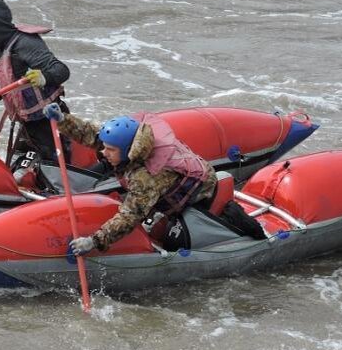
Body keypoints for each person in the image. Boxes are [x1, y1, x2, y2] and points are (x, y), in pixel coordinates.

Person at [42, 103, 219, 255]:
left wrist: (94, 241)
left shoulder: (145, 178)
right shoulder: (127, 145)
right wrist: (62, 120)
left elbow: (130, 217)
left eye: (110, 150)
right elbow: (94, 134)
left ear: (128, 151)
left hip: (201, 191)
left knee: (153, 217)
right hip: (169, 175)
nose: (103, 152)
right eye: (105, 148)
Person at [0, 0, 71, 177]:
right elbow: (4, 83)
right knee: (16, 168)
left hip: (47, 120)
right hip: (26, 123)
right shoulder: (1, 47)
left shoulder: (26, 43)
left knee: (53, 171)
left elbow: (61, 70)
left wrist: (44, 77)